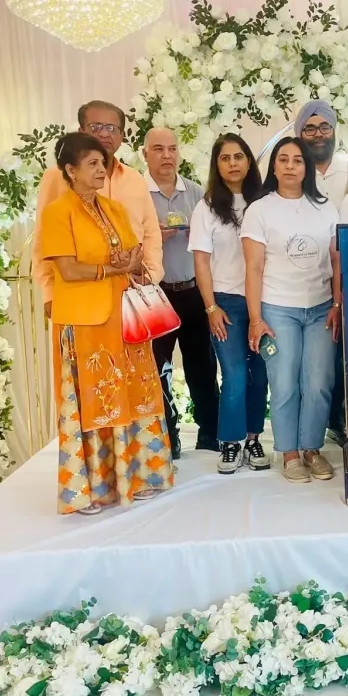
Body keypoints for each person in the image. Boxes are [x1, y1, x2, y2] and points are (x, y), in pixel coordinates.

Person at [38, 132, 173, 515]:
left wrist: (131, 264)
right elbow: (67, 269)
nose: (102, 170)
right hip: (84, 322)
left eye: (103, 163)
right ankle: (92, 487)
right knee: (95, 400)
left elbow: (134, 252)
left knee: (134, 394)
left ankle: (139, 476)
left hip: (124, 316)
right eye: (93, 164)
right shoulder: (57, 212)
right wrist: (110, 268)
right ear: (71, 170)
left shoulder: (113, 208)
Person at [242, 137, 341, 484]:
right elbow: (253, 268)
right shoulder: (259, 210)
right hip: (277, 308)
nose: (289, 166)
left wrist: (337, 304)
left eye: (297, 160)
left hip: (320, 308)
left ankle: (311, 448)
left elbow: (337, 261)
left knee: (319, 382)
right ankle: (289, 453)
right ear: (273, 166)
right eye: (283, 159)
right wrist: (255, 319)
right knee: (284, 384)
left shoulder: (325, 208)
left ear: (306, 167)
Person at [33, 101, 163, 317]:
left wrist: (150, 276)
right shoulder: (58, 176)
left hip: (131, 291)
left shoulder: (136, 179)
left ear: (121, 136)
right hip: (80, 295)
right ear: (81, 131)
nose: (104, 134)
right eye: (95, 127)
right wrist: (48, 292)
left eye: (112, 128)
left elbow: (150, 233)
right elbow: (42, 239)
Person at [189, 133, 269, 475]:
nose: (233, 163)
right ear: (216, 165)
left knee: (259, 376)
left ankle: (253, 439)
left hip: (265, 302)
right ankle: (230, 442)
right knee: (234, 375)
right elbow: (201, 262)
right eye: (225, 158)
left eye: (239, 156)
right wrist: (211, 308)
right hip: (226, 303)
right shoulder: (206, 207)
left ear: (249, 161)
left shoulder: (265, 202)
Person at [143, 128, 220, 460]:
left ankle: (210, 434)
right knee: (158, 368)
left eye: (172, 149)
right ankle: (167, 436)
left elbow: (214, 242)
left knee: (202, 366)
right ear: (145, 155)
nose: (166, 156)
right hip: (155, 295)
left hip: (193, 291)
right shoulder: (138, 195)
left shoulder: (197, 193)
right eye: (158, 149)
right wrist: (151, 238)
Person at [295, 99, 348, 446]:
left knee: (344, 355)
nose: (318, 134)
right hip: (307, 282)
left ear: (334, 131)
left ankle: (341, 421)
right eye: (310, 128)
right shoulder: (294, 172)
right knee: (311, 360)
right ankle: (307, 428)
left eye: (324, 127)